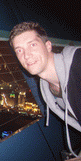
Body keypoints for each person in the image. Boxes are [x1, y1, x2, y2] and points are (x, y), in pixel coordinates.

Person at [9, 21, 81, 157]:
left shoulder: (78, 62)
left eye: (32, 45)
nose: (26, 55)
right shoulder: (48, 91)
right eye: (19, 50)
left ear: (48, 46)